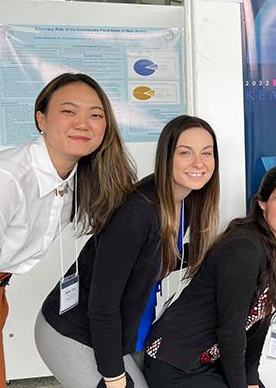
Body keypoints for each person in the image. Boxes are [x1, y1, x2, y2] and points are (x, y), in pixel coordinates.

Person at [0, 73, 135, 388]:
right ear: (40, 119)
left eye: (95, 115)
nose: (83, 123)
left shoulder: (79, 179)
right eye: (69, 111)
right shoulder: (4, 179)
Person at [35, 115, 220, 388]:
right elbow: (102, 305)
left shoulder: (185, 202)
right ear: (166, 157)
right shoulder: (136, 212)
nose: (199, 163)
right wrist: (113, 375)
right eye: (185, 152)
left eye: (207, 153)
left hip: (123, 330)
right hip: (75, 331)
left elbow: (155, 258)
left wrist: (216, 251)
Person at [143, 164, 276, 388]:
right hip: (174, 363)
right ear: (262, 203)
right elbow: (231, 330)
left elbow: (258, 327)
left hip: (210, 361)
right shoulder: (245, 249)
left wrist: (250, 380)